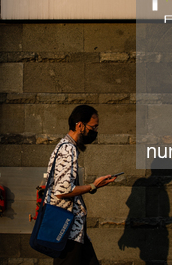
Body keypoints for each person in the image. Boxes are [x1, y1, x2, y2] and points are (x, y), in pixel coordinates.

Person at [44, 105, 117, 265]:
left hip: (74, 229)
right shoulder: (67, 149)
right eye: (93, 127)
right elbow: (62, 191)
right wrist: (93, 186)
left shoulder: (65, 146)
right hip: (68, 229)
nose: (95, 131)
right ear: (80, 125)